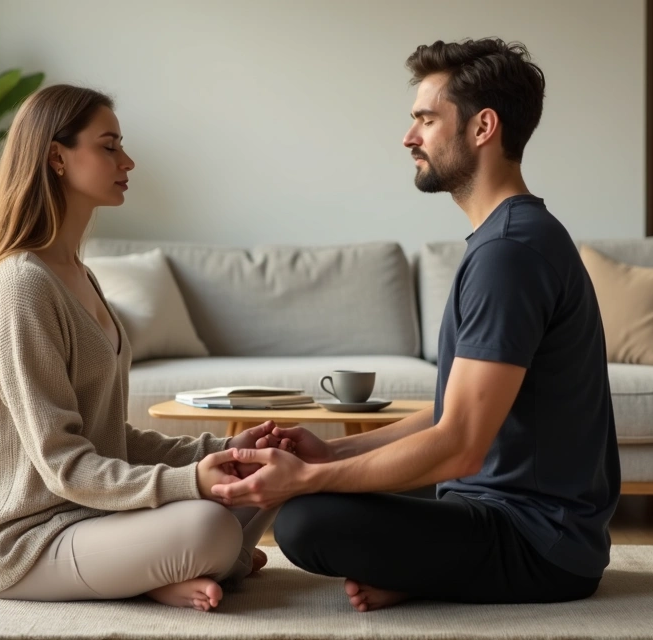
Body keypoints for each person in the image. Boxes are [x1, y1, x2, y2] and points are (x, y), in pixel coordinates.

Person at [212, 38, 621, 612]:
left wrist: (304, 482)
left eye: (426, 120)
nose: (409, 138)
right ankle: (432, 575)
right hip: (495, 516)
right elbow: (453, 412)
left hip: (539, 545)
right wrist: (329, 457)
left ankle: (441, 576)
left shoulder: (511, 254)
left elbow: (459, 447)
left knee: (306, 521)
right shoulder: (506, 240)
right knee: (322, 503)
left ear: (482, 128)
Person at [0, 84, 276, 612]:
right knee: (211, 526)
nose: (127, 160)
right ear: (57, 156)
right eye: (109, 145)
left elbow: (108, 437)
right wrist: (189, 482)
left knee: (271, 474)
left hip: (95, 518)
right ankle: (186, 564)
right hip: (30, 541)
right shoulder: (21, 286)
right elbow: (64, 462)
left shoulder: (79, 275)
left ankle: (164, 568)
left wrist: (222, 454)